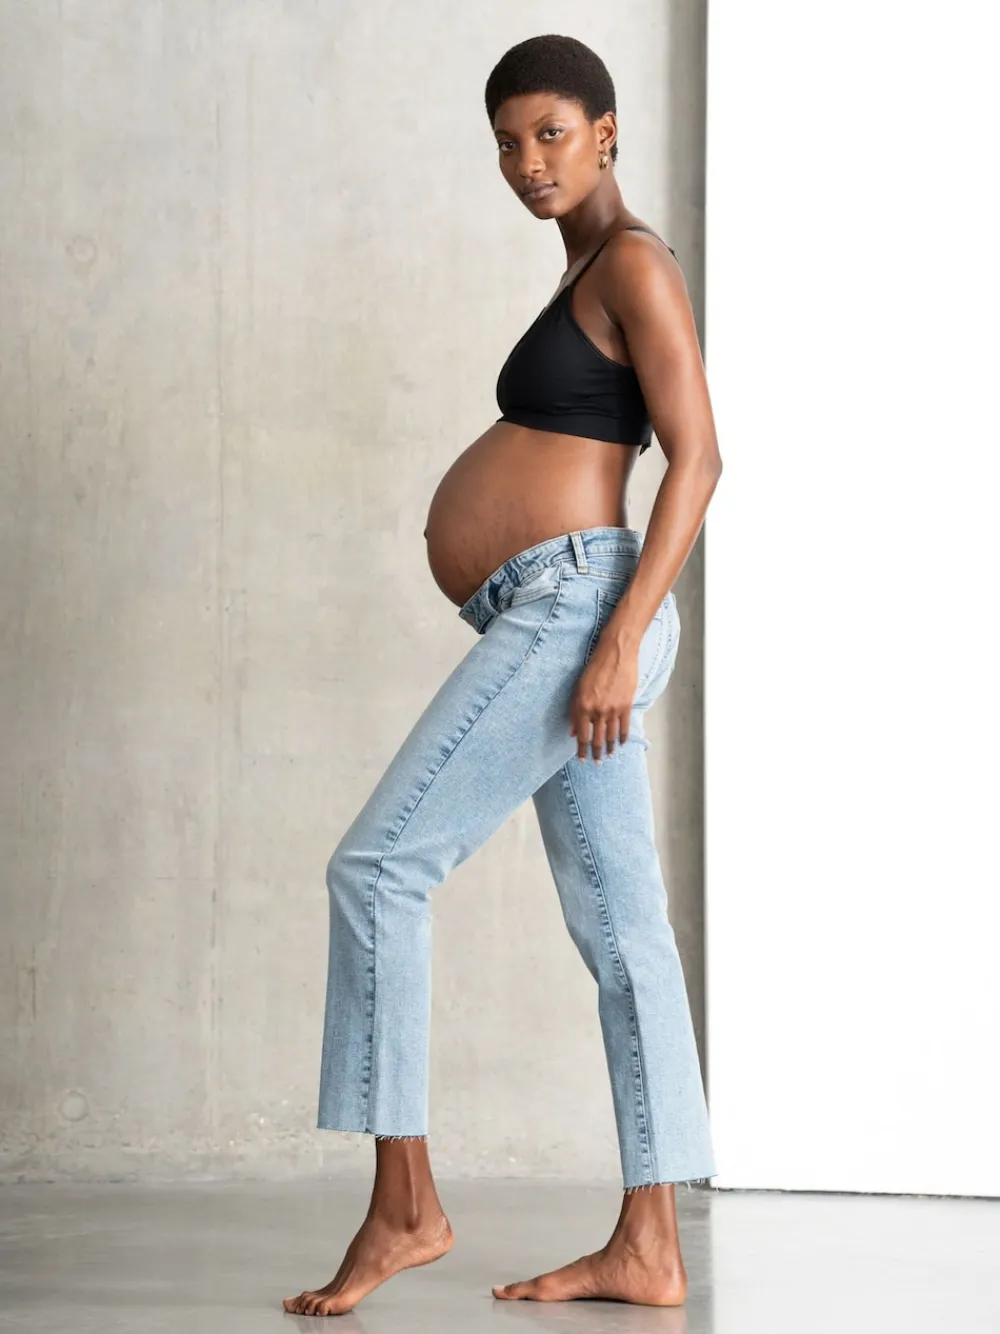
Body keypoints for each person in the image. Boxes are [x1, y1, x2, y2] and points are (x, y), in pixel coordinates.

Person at [284, 32, 722, 1318]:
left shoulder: (632, 260)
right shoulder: (583, 268)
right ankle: (649, 1245)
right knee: (627, 935)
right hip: (562, 612)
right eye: (506, 142)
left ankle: (405, 1205)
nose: (527, 161)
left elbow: (697, 457)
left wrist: (620, 636)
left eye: (550, 133)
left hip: (580, 609)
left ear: (606, 133)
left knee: (378, 867)